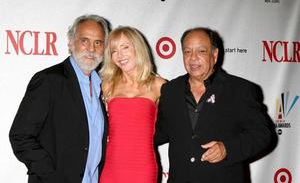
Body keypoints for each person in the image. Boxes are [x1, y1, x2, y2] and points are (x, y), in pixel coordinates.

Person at [155, 27, 275, 183]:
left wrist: (227, 149)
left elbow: (262, 135)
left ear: (215, 55)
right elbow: (160, 131)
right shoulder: (171, 90)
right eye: (187, 52)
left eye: (201, 51)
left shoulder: (239, 90)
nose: (193, 58)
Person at [9, 14, 109, 183]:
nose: (91, 49)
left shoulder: (104, 87)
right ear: (71, 42)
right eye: (84, 40)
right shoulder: (49, 80)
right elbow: (20, 136)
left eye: (98, 42)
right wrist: (50, 174)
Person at [99, 26, 166, 183]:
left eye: (125, 47)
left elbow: (175, 125)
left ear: (138, 48)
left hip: (143, 167)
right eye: (114, 50)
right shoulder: (106, 86)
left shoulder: (159, 85)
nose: (120, 55)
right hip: (112, 167)